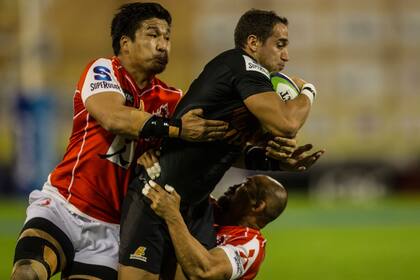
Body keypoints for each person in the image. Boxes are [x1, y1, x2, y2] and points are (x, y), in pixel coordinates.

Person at [11, 3, 230, 280]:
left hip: (112, 232)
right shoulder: (103, 70)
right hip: (65, 206)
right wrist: (176, 129)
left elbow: (207, 139)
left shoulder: (173, 99)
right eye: (153, 35)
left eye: (167, 37)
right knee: (27, 273)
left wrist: (266, 154)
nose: (163, 45)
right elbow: (113, 117)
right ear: (125, 43)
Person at [119, 8, 320, 279]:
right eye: (280, 45)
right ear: (253, 43)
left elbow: (226, 148)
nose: (286, 55)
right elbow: (287, 123)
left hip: (195, 206)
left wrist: (275, 160)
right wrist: (308, 90)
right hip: (156, 195)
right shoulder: (242, 66)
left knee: (201, 272)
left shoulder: (246, 90)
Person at [143, 175, 288, 280]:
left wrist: (173, 216)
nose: (233, 187)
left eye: (244, 185)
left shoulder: (250, 245)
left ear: (257, 206)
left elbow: (204, 271)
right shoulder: (208, 208)